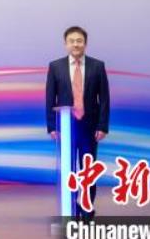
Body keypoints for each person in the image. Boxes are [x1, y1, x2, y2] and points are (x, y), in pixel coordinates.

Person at [45, 26, 110, 219]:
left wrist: (102, 125)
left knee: (88, 169)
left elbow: (104, 99)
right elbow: (50, 98)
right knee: (69, 169)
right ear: (65, 44)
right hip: (66, 127)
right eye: (72, 41)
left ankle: (87, 207)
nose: (76, 44)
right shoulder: (55, 66)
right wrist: (52, 126)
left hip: (90, 128)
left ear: (85, 44)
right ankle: (71, 207)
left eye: (79, 41)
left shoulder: (97, 66)